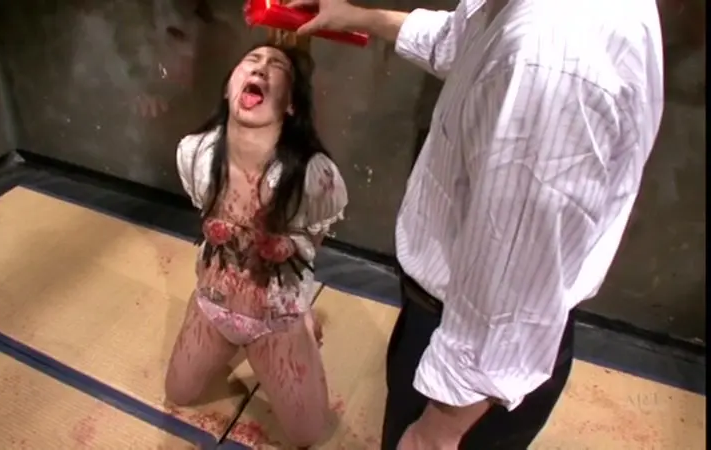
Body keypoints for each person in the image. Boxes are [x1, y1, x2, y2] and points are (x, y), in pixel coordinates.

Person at [287, 0, 665, 448]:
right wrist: (358, 17)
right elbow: (466, 43)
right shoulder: (528, 32)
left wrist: (437, 431)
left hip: (473, 368)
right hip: (456, 324)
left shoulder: (553, 59)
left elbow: (514, 284)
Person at [164, 42, 348, 448]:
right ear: (228, 88)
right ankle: (226, 343)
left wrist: (296, 287)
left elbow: (314, 239)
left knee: (307, 434)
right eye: (251, 60)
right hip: (214, 303)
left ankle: (301, 325)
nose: (261, 68)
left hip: (276, 318)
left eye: (276, 65)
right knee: (179, 394)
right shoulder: (196, 153)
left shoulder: (314, 176)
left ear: (291, 105)